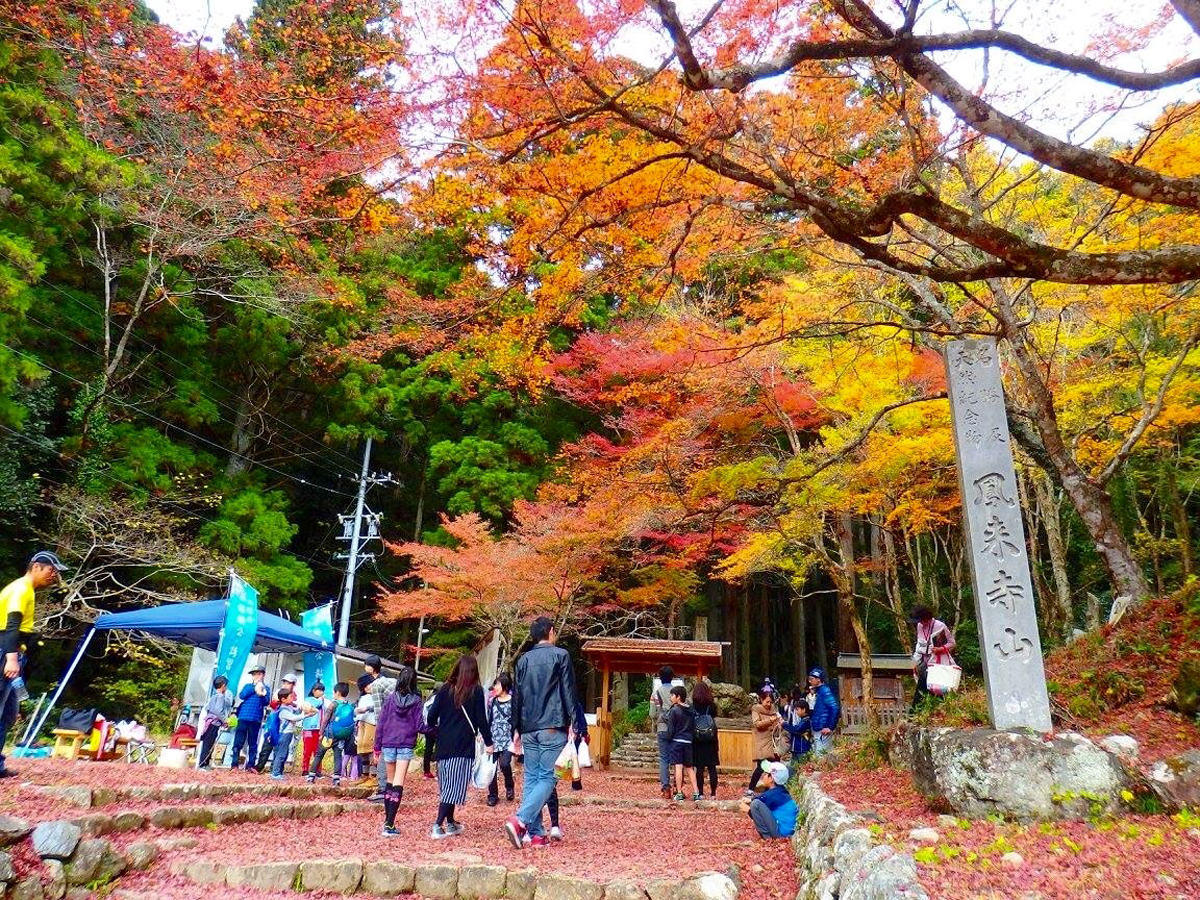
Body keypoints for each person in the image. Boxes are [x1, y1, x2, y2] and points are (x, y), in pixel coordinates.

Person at [504, 616, 576, 850]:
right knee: (548, 777)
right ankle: (520, 821)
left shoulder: (523, 660)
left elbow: (518, 697)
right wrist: (574, 721)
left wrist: (515, 728)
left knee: (532, 778)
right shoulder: (561, 655)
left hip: (528, 727)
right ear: (551, 632)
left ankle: (536, 834)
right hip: (552, 725)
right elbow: (567, 691)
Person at [0, 550, 66, 777]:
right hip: (5, 651)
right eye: (51, 570)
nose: (53, 576)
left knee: (9, 713)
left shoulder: (27, 590)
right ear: (36, 567)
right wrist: (10, 658)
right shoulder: (20, 589)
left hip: (14, 652)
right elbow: (11, 625)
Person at [426, 654, 493, 839]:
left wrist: (442, 727)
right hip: (462, 746)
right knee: (452, 788)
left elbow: (431, 717)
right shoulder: (476, 691)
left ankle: (450, 822)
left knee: (447, 785)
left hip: (443, 745)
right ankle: (438, 825)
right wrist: (489, 743)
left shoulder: (445, 689)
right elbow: (482, 720)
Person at [375, 665, 425, 836]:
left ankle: (386, 822)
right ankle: (389, 824)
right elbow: (420, 725)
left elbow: (381, 722)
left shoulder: (390, 699)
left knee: (389, 782)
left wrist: (376, 747)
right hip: (405, 744)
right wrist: (437, 730)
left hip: (388, 743)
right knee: (398, 782)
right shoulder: (417, 701)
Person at [543, 699, 589, 841]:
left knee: (545, 781)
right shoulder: (568, 697)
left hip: (552, 740)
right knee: (547, 782)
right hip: (550, 739)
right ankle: (551, 825)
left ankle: (544, 824)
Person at [307, 682, 357, 786]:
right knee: (338, 756)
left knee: (319, 754)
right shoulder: (349, 706)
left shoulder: (333, 704)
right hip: (341, 736)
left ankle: (311, 776)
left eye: (334, 692)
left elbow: (325, 720)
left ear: (337, 692)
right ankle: (336, 779)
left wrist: (321, 732)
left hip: (329, 735)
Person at [909, 606, 956, 711]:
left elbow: (952, 643)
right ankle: (918, 713)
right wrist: (915, 662)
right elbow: (920, 644)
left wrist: (940, 649)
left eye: (922, 620)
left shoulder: (940, 626)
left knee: (937, 688)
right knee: (923, 687)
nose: (921, 623)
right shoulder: (919, 626)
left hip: (938, 662)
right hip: (925, 662)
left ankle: (916, 713)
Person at [364, 656, 397, 801]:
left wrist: (379, 732)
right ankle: (393, 789)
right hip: (401, 725)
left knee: (383, 754)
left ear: (371, 667)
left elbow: (379, 710)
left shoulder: (377, 684)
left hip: (388, 725)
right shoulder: (394, 681)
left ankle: (383, 790)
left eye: (366, 665)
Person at [650, 665, 684, 799]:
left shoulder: (655, 693)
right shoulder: (679, 692)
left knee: (664, 759)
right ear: (672, 677)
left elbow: (652, 714)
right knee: (677, 760)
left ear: (660, 677)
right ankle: (678, 788)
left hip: (663, 728)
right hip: (677, 730)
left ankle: (666, 789)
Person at [230, 664, 271, 771]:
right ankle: (234, 764)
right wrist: (255, 687)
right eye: (254, 674)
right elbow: (242, 695)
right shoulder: (248, 686)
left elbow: (266, 702)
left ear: (263, 675)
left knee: (253, 743)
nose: (256, 676)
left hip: (256, 719)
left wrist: (261, 692)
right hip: (243, 717)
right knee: (238, 742)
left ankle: (251, 765)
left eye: (259, 674)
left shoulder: (266, 688)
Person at [665, 685, 701, 802]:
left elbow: (670, 729)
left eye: (672, 695)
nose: (671, 697)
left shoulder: (674, 710)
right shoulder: (691, 710)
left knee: (678, 766)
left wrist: (668, 739)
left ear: (678, 697)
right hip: (688, 741)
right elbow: (694, 727)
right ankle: (696, 792)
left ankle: (679, 792)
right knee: (690, 768)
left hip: (677, 741)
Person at [746, 762, 798, 840]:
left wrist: (746, 809)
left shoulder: (773, 794)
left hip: (781, 833)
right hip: (785, 831)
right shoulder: (780, 791)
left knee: (755, 804)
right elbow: (761, 799)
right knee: (755, 803)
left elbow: (756, 809)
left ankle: (767, 838)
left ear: (771, 779)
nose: (763, 776)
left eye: (766, 774)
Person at [486, 672, 515, 807]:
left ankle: (509, 786)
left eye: (496, 684)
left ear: (504, 685)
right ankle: (492, 795)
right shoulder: (492, 701)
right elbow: (489, 719)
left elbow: (517, 720)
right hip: (494, 738)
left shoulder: (513, 701)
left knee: (504, 764)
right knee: (491, 768)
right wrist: (484, 735)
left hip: (508, 739)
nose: (494, 687)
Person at [747, 689, 783, 793]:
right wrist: (770, 720)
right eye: (767, 701)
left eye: (771, 702)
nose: (769, 704)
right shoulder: (756, 710)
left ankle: (770, 789)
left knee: (772, 768)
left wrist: (778, 723)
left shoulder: (774, 711)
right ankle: (750, 789)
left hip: (772, 742)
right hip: (762, 742)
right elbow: (757, 724)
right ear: (761, 700)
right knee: (761, 767)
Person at [690, 680, 720, 798]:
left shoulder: (693, 706)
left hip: (697, 739)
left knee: (699, 768)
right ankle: (713, 793)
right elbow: (714, 717)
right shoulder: (711, 706)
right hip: (711, 739)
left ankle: (701, 793)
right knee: (712, 768)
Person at [198, 675, 234, 769]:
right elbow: (218, 711)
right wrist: (224, 720)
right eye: (226, 686)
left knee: (208, 742)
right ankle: (203, 764)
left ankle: (205, 762)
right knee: (208, 743)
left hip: (210, 723)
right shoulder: (221, 697)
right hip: (213, 723)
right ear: (223, 686)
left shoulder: (213, 696)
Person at [271, 690, 304, 779]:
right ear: (283, 699)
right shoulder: (283, 710)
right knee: (281, 754)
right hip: (284, 734)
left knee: (284, 754)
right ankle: (275, 773)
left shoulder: (288, 708)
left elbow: (295, 712)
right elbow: (294, 717)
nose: (292, 699)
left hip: (288, 734)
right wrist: (305, 715)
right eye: (290, 697)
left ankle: (279, 772)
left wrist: (300, 709)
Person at [300, 682, 330, 777]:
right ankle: (305, 769)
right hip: (309, 728)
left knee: (318, 751)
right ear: (313, 691)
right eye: (319, 690)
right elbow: (317, 704)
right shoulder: (308, 700)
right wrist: (321, 699)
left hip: (319, 729)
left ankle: (317, 770)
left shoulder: (324, 701)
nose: (321, 692)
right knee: (307, 750)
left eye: (322, 690)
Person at [807, 668, 839, 757]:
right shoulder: (820, 692)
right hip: (818, 729)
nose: (810, 681)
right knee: (820, 756)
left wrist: (830, 726)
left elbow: (835, 708)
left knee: (822, 757)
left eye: (812, 679)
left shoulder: (825, 691)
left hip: (823, 730)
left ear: (818, 679)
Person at [355, 674, 377, 784]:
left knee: (371, 748)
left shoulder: (376, 696)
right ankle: (365, 775)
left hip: (372, 723)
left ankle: (373, 776)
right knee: (362, 747)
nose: (369, 687)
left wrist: (367, 708)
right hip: (362, 722)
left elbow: (378, 707)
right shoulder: (363, 698)